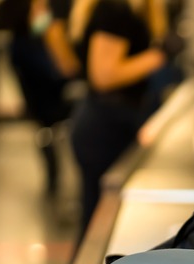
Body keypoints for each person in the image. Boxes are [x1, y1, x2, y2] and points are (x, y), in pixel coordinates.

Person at [68, 0, 168, 237]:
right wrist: (156, 57)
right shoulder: (115, 8)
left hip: (109, 120)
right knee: (97, 229)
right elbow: (103, 76)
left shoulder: (128, 9)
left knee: (97, 224)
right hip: (105, 126)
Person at [0, 0, 80, 198]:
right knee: (51, 121)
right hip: (39, 67)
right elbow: (48, 31)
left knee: (45, 125)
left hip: (30, 60)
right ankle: (56, 177)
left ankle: (53, 177)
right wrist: (73, 70)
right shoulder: (46, 9)